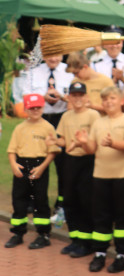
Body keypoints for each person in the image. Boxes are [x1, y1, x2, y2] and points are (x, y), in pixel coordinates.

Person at [77, 85, 124, 273]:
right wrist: (83, 143)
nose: (108, 102)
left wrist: (113, 143)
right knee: (101, 216)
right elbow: (91, 149)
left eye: (112, 98)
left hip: (123, 176)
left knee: (122, 217)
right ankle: (100, 254)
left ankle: (123, 255)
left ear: (122, 101)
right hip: (100, 176)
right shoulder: (98, 122)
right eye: (105, 100)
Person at [51, 80, 100, 257]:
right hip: (70, 161)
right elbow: (63, 140)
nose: (78, 98)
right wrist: (54, 141)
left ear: (86, 97)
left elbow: (96, 140)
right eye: (74, 95)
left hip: (87, 160)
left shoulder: (93, 115)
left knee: (85, 200)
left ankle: (87, 243)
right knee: (69, 199)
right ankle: (75, 239)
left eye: (81, 95)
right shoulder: (66, 116)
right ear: (69, 97)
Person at [5, 93, 60, 249]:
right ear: (26, 109)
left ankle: (43, 234)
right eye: (31, 108)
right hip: (22, 165)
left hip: (39, 165)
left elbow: (53, 151)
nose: (35, 110)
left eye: (38, 107)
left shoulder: (48, 127)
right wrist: (14, 165)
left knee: (40, 200)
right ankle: (18, 233)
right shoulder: (19, 128)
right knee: (19, 199)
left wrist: (42, 167)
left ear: (43, 107)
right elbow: (12, 150)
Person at [25, 52, 72, 226]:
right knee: (35, 159)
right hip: (40, 118)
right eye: (49, 55)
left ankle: (61, 204)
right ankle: (33, 201)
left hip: (61, 118)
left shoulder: (69, 72)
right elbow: (25, 96)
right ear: (44, 56)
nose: (53, 59)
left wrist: (62, 96)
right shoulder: (33, 72)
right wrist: (41, 98)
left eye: (57, 55)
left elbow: (76, 98)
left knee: (62, 164)